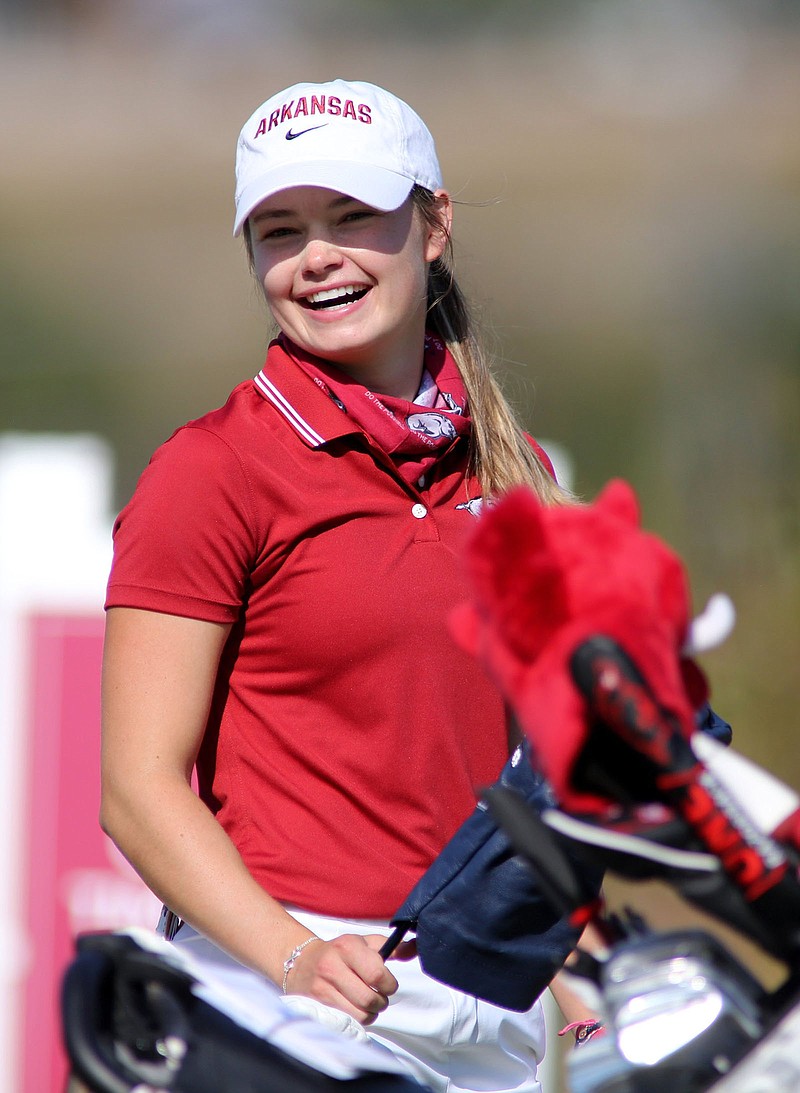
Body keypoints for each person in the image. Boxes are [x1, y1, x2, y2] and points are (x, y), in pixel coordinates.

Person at [100, 78, 584, 1093]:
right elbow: (136, 791)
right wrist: (293, 957)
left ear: (432, 224)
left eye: (351, 216)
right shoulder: (211, 470)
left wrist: (579, 956)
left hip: (477, 1009)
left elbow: (533, 776)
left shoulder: (522, 480)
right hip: (273, 1004)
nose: (315, 255)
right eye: (278, 230)